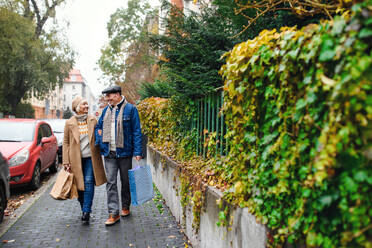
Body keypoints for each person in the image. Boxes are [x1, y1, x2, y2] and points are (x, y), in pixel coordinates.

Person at [95, 85, 142, 226]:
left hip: (125, 152)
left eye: (109, 96)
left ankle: (125, 206)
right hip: (109, 153)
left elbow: (136, 131)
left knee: (125, 181)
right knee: (111, 182)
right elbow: (98, 127)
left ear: (117, 95)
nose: (107, 99)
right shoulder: (106, 111)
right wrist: (99, 137)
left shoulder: (131, 109)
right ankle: (113, 213)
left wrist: (138, 151)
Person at [63, 96, 107, 225]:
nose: (87, 107)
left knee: (88, 181)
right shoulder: (69, 123)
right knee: (79, 185)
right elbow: (65, 142)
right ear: (77, 108)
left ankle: (86, 211)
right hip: (75, 159)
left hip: (90, 158)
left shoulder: (93, 119)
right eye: (84, 105)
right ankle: (84, 207)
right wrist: (66, 161)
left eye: (87, 105)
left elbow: (100, 133)